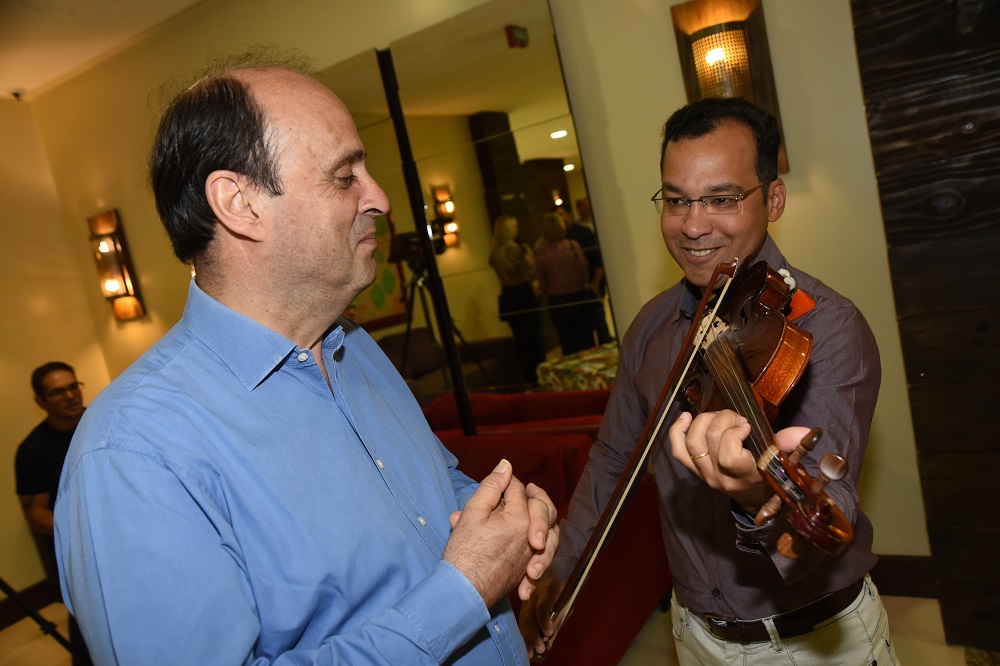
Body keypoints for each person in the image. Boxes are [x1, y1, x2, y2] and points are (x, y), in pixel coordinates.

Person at [53, 52, 558, 665]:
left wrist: (505, 516)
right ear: (239, 204)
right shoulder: (132, 453)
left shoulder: (355, 349)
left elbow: (431, 491)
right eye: (345, 177)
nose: (380, 199)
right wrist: (464, 591)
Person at [521, 97, 895, 665]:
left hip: (812, 644)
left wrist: (755, 494)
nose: (693, 225)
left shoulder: (828, 328)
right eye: (675, 200)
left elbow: (827, 499)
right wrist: (559, 571)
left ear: (772, 198)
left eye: (722, 198)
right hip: (693, 636)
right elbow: (613, 458)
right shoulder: (650, 327)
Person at [14, 362, 92, 665]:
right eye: (58, 392)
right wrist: (83, 526)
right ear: (40, 401)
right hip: (80, 554)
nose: (70, 395)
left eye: (74, 386)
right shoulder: (33, 450)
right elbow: (35, 513)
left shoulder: (102, 418)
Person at [489, 215, 547, 386]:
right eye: (514, 227)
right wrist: (531, 263)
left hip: (509, 296)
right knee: (534, 338)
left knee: (521, 340)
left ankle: (528, 377)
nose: (517, 231)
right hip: (523, 295)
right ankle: (540, 376)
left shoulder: (494, 254)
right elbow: (529, 275)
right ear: (508, 231)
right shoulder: (519, 249)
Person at [533, 211, 596, 356]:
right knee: (587, 341)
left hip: (558, 302)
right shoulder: (573, 245)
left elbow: (542, 281)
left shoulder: (540, 253)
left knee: (568, 342)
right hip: (579, 297)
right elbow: (584, 270)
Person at [559, 201, 612, 345]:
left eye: (561, 214)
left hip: (591, 286)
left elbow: (596, 261)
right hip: (575, 293)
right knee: (584, 333)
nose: (560, 219)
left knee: (600, 326)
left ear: (569, 214)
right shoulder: (557, 240)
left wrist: (594, 286)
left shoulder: (582, 233)